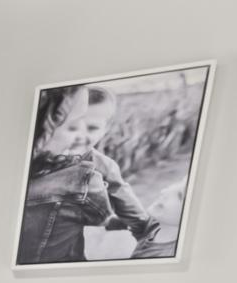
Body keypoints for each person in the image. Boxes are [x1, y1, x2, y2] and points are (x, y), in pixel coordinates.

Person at [19, 84, 161, 263]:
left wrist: (146, 240)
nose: (80, 135)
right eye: (73, 125)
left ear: (106, 130)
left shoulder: (100, 166)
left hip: (65, 256)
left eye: (92, 128)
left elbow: (131, 210)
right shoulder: (37, 152)